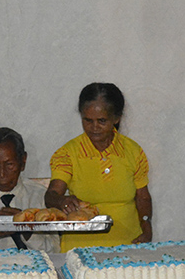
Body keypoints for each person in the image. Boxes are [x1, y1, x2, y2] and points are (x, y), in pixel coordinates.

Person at [44, 82, 152, 250]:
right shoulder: (67, 154)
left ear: (116, 118)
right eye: (88, 120)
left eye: (102, 121)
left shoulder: (133, 151)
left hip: (129, 245)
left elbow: (143, 197)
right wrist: (61, 200)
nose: (94, 128)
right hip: (80, 250)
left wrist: (146, 226)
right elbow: (51, 195)